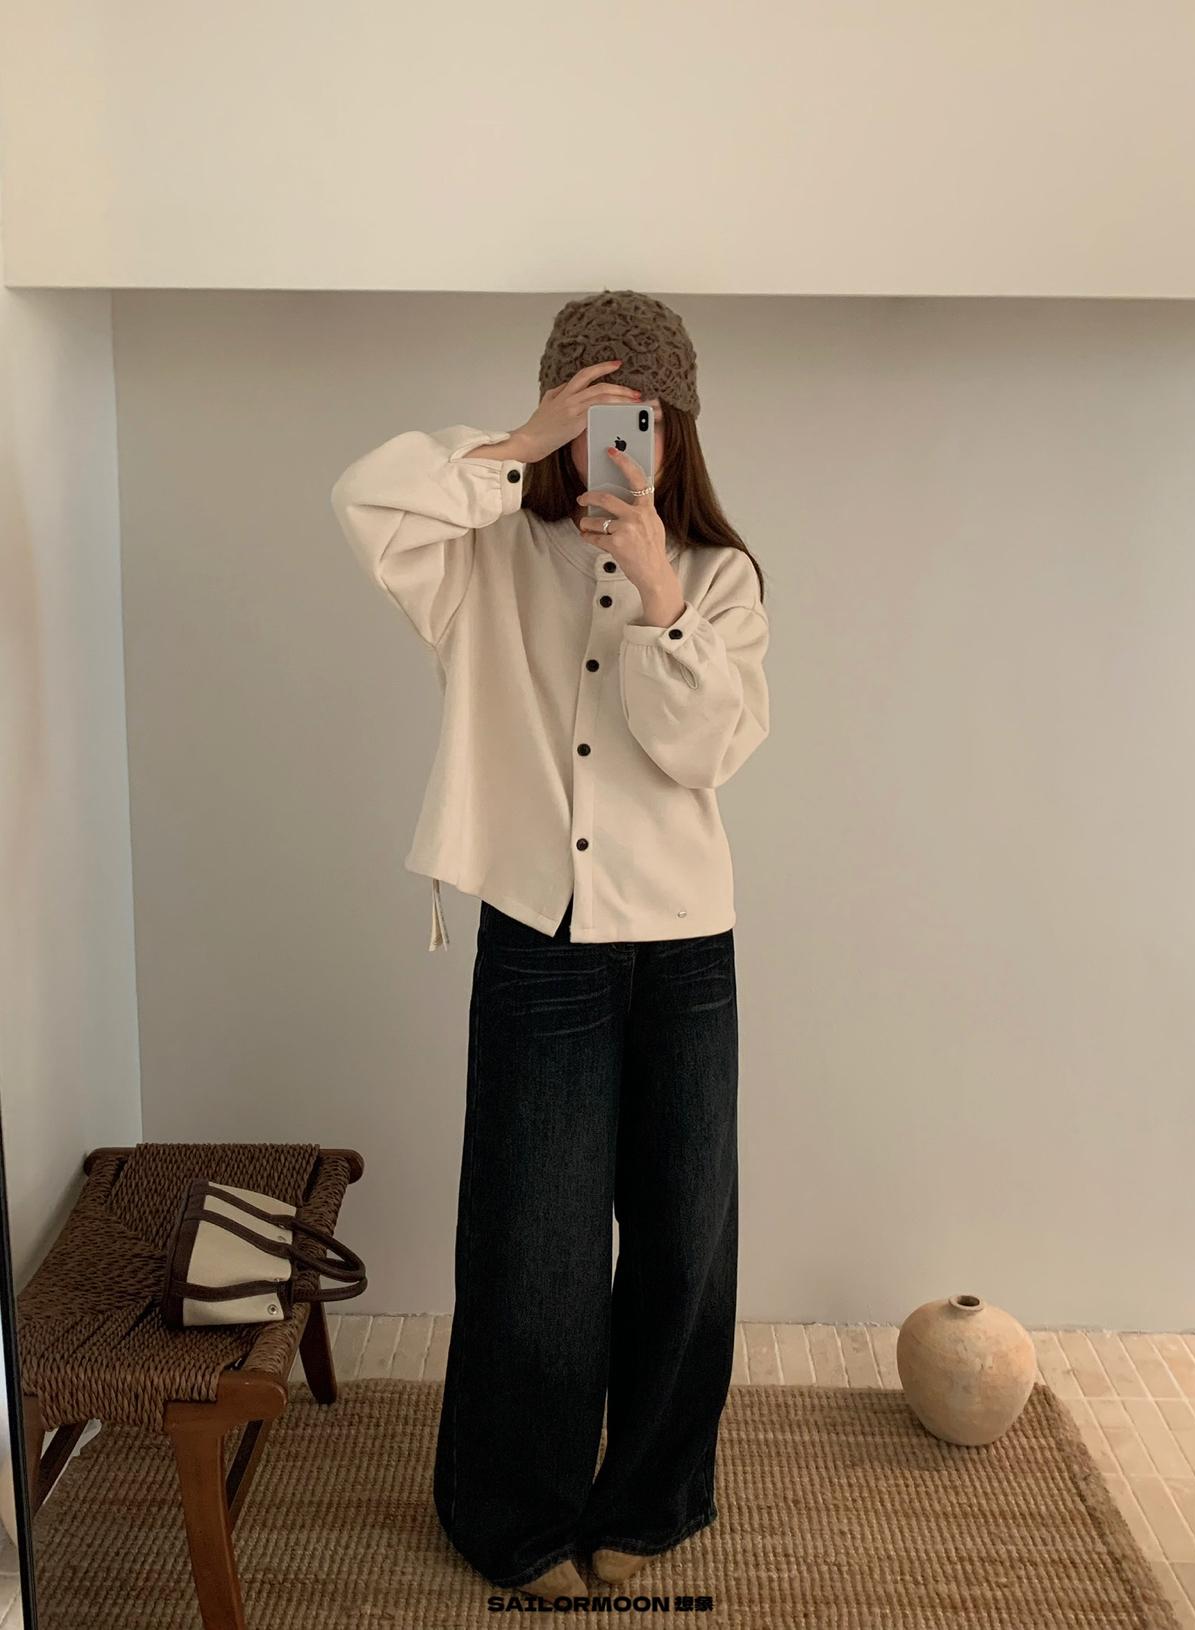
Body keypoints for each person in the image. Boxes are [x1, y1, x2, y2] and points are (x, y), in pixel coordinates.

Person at [330, 290, 770, 1604]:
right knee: (535, 1247)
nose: (617, 438)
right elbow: (368, 503)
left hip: (684, 950)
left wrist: (659, 590)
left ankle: (651, 1498)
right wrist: (519, 442)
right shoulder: (483, 557)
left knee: (684, 1237)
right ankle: (515, 1514)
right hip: (542, 935)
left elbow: (704, 751)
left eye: (641, 414)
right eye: (592, 412)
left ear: (680, 427)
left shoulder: (721, 578)